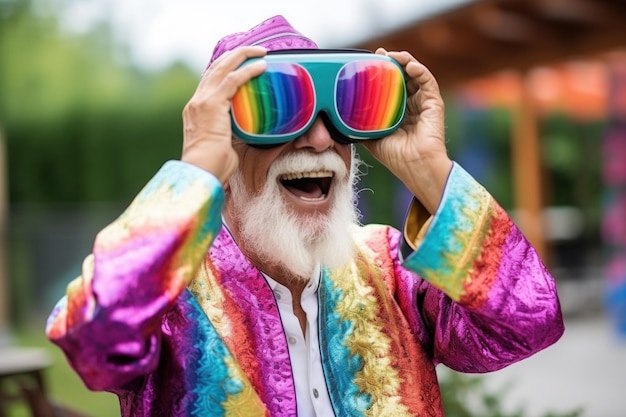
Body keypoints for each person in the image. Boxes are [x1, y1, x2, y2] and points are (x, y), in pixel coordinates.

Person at [46, 15, 565, 417]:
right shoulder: (170, 295)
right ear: (223, 147)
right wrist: (194, 168)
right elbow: (93, 342)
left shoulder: (392, 269)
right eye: (276, 110)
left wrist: (429, 169)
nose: (319, 140)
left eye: (339, 115)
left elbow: (528, 323)